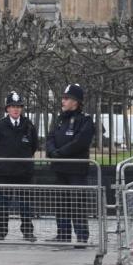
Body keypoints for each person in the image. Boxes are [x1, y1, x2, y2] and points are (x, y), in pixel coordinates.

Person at [45, 83, 95, 246]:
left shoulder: (85, 120)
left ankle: (81, 236)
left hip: (76, 169)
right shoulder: (60, 118)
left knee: (77, 203)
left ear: (76, 101)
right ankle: (63, 234)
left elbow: (80, 142)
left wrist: (61, 153)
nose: (63, 101)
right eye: (63, 98)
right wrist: (52, 151)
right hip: (60, 168)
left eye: (67, 98)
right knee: (61, 203)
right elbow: (50, 137)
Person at [0, 91, 39, 242]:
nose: (16, 109)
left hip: (24, 172)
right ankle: (1, 231)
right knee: (2, 204)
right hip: (5, 171)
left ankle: (27, 231)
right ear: (7, 109)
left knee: (25, 204)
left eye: (18, 106)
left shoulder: (28, 125)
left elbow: (34, 145)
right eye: (12, 106)